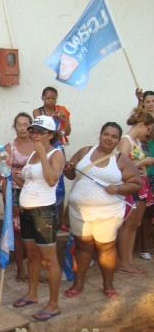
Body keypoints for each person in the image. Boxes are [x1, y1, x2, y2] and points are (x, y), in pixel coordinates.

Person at [63, 122, 140, 299]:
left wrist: (118, 189)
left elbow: (136, 183)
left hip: (108, 213)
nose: (108, 138)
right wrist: (67, 169)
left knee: (105, 247)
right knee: (82, 247)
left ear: (118, 140)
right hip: (79, 212)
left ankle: (108, 284)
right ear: (100, 134)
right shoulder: (85, 151)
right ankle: (78, 283)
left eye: (113, 136)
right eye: (106, 134)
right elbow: (71, 174)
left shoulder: (121, 159)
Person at [12, 116, 64, 322]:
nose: (34, 134)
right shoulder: (34, 152)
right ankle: (32, 293)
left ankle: (53, 304)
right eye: (33, 131)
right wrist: (8, 172)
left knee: (49, 260)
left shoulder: (55, 153)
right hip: (27, 211)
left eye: (39, 132)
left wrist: (43, 155)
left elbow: (52, 180)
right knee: (32, 256)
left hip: (44, 212)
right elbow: (27, 182)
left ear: (50, 134)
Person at [115, 108, 154, 276]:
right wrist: (142, 163)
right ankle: (123, 261)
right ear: (141, 124)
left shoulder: (136, 142)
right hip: (131, 186)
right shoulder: (126, 141)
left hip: (140, 185)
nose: (149, 132)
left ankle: (128, 260)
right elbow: (119, 167)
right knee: (128, 225)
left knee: (134, 226)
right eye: (149, 128)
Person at [33, 86, 71, 231]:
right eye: (47, 98)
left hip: (57, 148)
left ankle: (61, 221)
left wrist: (64, 118)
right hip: (43, 148)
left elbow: (66, 132)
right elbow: (40, 124)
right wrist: (54, 117)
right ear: (42, 98)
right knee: (46, 178)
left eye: (53, 98)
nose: (50, 101)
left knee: (59, 182)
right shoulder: (38, 111)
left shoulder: (61, 111)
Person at [2, 113, 34, 282]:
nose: (22, 128)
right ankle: (21, 269)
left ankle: (35, 269)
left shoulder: (38, 146)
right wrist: (5, 196)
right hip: (15, 193)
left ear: (31, 126)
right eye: (18, 125)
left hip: (36, 194)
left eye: (25, 124)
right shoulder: (9, 148)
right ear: (14, 127)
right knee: (18, 232)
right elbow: (3, 173)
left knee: (35, 232)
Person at [137, 89, 154, 260]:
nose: (151, 104)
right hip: (146, 171)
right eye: (148, 101)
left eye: (153, 101)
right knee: (147, 211)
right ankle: (144, 246)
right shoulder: (142, 123)